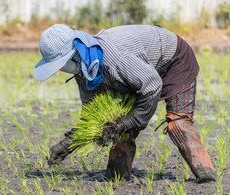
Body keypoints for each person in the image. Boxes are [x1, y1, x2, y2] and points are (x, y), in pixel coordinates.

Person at [33, 24, 217, 183]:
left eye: (62, 65)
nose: (63, 70)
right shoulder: (86, 69)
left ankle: (206, 176)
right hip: (141, 71)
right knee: (116, 124)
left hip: (174, 60)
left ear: (76, 53)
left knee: (178, 124)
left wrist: (133, 120)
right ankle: (117, 177)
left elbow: (152, 86)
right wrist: (69, 143)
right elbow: (93, 113)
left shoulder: (115, 61)